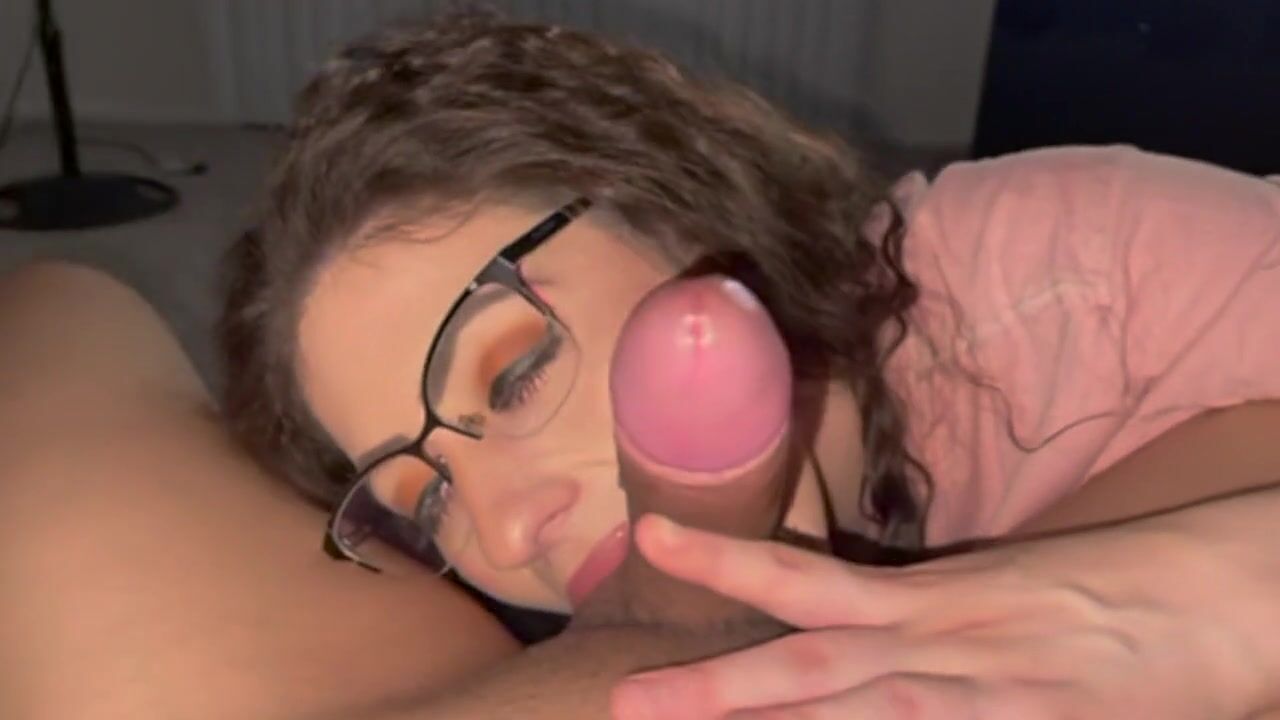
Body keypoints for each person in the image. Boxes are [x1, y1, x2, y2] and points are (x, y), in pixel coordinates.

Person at [5, 9, 1280, 719]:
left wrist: (1207, 568)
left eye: (511, 376)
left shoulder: (1056, 266)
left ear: (679, 207)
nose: (507, 528)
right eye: (426, 502)